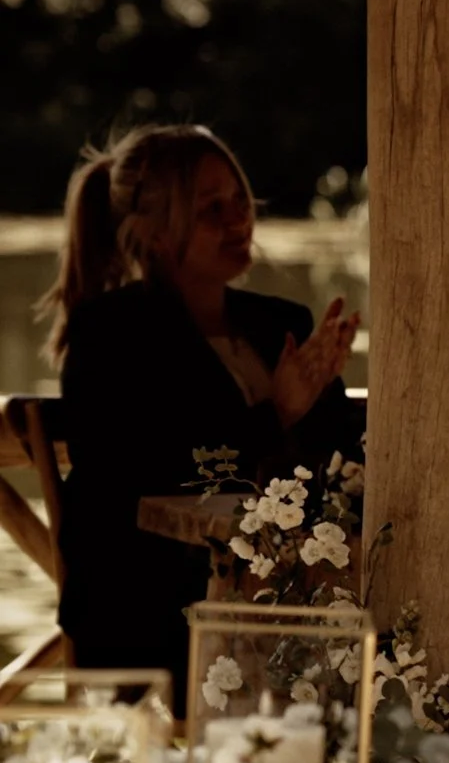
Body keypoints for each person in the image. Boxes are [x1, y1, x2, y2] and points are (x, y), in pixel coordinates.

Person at [39, 125, 360, 690]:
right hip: (152, 608)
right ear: (158, 233)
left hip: (298, 602)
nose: (238, 221)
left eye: (240, 202)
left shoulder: (278, 322)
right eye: (212, 209)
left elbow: (336, 458)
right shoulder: (112, 335)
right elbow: (156, 473)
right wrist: (275, 414)